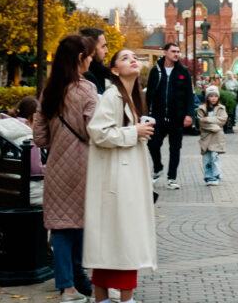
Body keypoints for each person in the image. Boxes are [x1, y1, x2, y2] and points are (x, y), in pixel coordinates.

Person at [84, 49, 157, 303]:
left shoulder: (131, 96)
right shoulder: (113, 96)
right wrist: (134, 132)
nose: (133, 59)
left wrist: (136, 131)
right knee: (124, 240)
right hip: (118, 180)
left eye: (134, 56)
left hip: (125, 177)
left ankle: (104, 299)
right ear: (114, 70)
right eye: (125, 58)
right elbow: (99, 132)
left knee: (116, 241)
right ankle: (124, 299)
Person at [32, 34, 98, 303]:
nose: (92, 59)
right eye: (90, 55)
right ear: (81, 58)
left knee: (60, 226)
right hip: (84, 165)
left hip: (57, 166)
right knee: (80, 223)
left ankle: (67, 287)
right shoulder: (87, 90)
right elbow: (96, 131)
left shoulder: (50, 90)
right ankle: (77, 275)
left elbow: (39, 137)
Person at [146, 42, 195, 190]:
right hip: (158, 116)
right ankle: (158, 167)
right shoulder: (156, 71)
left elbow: (189, 95)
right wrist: (145, 113)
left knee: (175, 148)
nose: (176, 54)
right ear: (165, 52)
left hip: (177, 117)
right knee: (153, 143)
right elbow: (149, 94)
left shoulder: (183, 72)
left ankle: (172, 178)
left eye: (178, 51)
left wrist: (189, 114)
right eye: (173, 51)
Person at [0, 96, 45, 206]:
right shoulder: (28, 137)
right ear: (35, 116)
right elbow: (36, 171)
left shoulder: (2, 129)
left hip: (2, 186)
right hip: (26, 191)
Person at [198, 86, 227, 186]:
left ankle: (216, 175)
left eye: (215, 96)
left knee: (215, 157)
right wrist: (215, 127)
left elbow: (222, 120)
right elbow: (202, 122)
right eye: (211, 96)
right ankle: (208, 176)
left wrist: (209, 120)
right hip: (206, 137)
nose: (213, 98)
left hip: (217, 137)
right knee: (207, 158)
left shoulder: (221, 108)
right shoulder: (202, 109)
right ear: (207, 97)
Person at [80, 27, 111, 95]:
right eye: (103, 46)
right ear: (91, 49)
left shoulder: (102, 74)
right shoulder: (86, 78)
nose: (107, 51)